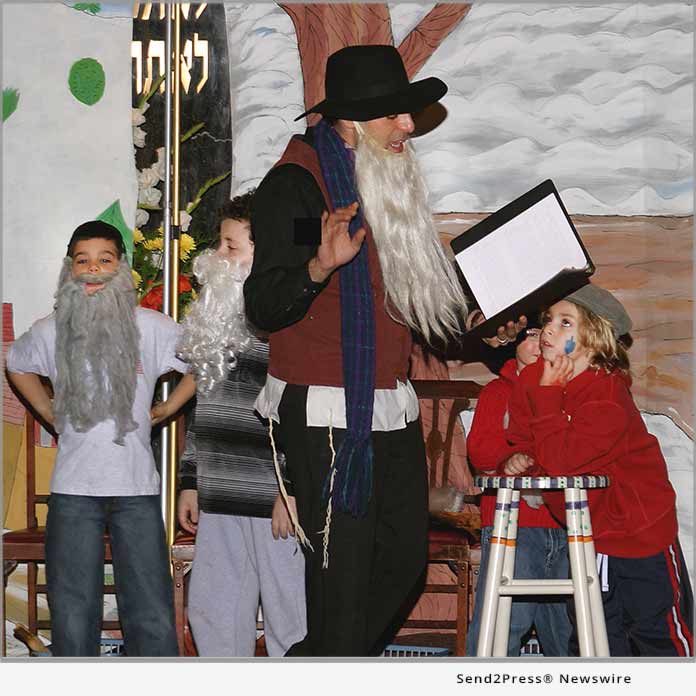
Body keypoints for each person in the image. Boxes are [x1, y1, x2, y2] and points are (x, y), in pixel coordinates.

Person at [243, 44, 480, 656]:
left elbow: (413, 298)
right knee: (342, 586)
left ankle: (316, 663)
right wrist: (319, 265)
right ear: (352, 118)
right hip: (325, 413)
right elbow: (263, 304)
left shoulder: (382, 182)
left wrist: (485, 328)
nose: (409, 125)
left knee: (403, 562)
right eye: (395, 114)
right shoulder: (296, 187)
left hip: (387, 406)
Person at [6, 220, 196, 656]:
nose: (93, 269)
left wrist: (167, 408)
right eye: (82, 261)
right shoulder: (51, 330)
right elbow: (16, 363)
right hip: (73, 491)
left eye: (104, 260)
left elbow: (202, 360)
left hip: (136, 489)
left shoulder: (151, 326)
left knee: (150, 611)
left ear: (121, 268)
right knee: (73, 611)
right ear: (69, 269)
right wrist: (48, 411)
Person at [505, 283, 693, 656]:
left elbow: (563, 460)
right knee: (595, 633)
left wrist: (547, 396)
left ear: (595, 339)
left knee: (656, 630)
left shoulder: (606, 393)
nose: (549, 329)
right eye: (548, 320)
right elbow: (524, 436)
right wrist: (519, 459)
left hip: (639, 531)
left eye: (565, 322)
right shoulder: (534, 381)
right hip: (589, 533)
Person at [175, 193, 306, 656]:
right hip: (220, 493)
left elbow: (302, 417)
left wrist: (291, 490)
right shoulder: (215, 320)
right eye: (220, 244)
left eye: (231, 247)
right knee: (214, 611)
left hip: (273, 500)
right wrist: (190, 481)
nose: (218, 256)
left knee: (290, 617)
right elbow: (204, 409)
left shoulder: (289, 327)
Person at [465, 317, 572, 656]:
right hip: (513, 524)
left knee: (568, 630)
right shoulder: (499, 392)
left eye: (547, 335)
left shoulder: (570, 393)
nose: (540, 342)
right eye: (531, 335)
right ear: (511, 343)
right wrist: (509, 459)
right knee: (503, 622)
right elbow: (480, 452)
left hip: (565, 524)